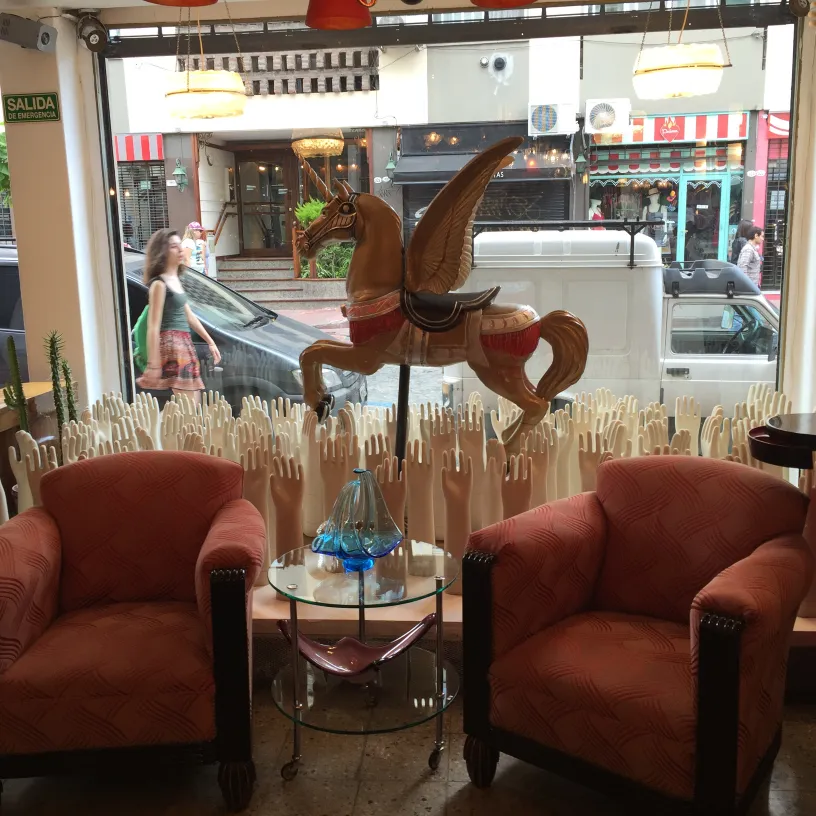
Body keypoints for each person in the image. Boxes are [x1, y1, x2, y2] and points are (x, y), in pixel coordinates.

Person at [136, 228, 221, 404]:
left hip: (183, 343)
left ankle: (172, 422)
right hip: (172, 345)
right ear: (162, 252)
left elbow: (190, 316)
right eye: (174, 246)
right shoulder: (159, 285)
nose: (181, 250)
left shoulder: (175, 280)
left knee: (191, 405)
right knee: (189, 406)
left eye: (179, 245)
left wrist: (210, 341)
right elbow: (153, 326)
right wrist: (154, 364)